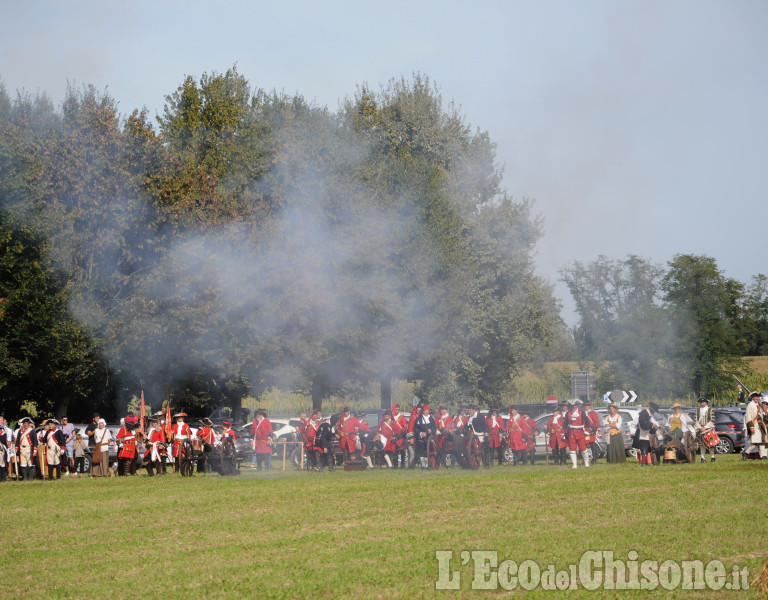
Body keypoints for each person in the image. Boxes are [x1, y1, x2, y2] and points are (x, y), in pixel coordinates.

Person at [565, 400, 590, 469]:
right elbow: (565, 423)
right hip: (572, 432)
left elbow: (587, 422)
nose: (574, 407)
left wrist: (587, 431)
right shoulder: (568, 413)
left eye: (575, 405)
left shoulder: (582, 412)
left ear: (577, 406)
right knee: (572, 449)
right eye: (573, 406)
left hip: (580, 432)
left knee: (583, 448)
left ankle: (586, 463)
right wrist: (562, 433)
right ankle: (574, 465)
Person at [634, 402, 660, 467]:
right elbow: (643, 424)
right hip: (642, 434)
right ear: (651, 409)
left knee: (646, 448)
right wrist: (652, 424)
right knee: (644, 448)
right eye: (654, 411)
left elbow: (647, 424)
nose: (654, 412)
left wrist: (653, 428)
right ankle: (643, 462)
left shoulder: (647, 414)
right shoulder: (644, 413)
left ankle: (645, 462)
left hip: (645, 434)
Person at [744, 392, 767, 460]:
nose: (757, 398)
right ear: (753, 397)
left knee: (762, 440)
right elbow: (748, 417)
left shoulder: (759, 405)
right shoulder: (750, 405)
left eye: (758, 397)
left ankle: (762, 456)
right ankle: (746, 452)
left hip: (761, 425)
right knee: (756, 441)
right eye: (756, 397)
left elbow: (762, 416)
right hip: (755, 425)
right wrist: (751, 427)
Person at [413, 404, 436, 469]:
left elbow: (434, 427)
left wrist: (431, 430)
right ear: (423, 411)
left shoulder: (431, 418)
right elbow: (415, 428)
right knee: (421, 450)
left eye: (428, 410)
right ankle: (423, 465)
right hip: (421, 438)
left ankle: (426, 464)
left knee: (427, 450)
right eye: (426, 410)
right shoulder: (419, 418)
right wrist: (420, 433)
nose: (427, 412)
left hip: (429, 437)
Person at [694, 397, 716, 463]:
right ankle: (702, 458)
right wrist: (700, 427)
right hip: (700, 429)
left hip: (708, 429)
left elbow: (712, 420)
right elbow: (695, 420)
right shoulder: (697, 410)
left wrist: (705, 427)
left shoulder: (710, 410)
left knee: (711, 444)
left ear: (706, 403)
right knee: (701, 444)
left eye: (703, 402)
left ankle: (712, 457)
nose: (702, 403)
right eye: (701, 402)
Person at [391, 403, 408, 469]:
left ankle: (402, 465)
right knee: (395, 451)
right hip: (395, 435)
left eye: (398, 409)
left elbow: (404, 425)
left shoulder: (401, 417)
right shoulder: (392, 418)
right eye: (396, 409)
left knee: (402, 451)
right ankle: (395, 465)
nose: (397, 410)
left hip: (401, 435)